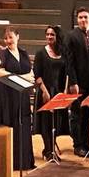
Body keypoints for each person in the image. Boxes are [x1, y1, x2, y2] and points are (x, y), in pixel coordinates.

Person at [63, 8, 89, 158]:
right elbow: (69, 62)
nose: (83, 20)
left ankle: (87, 146)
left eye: (85, 17)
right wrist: (73, 82)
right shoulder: (70, 36)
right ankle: (78, 146)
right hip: (77, 83)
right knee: (76, 114)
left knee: (88, 115)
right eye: (80, 17)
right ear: (77, 20)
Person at [0, 26, 35, 170]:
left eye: (11, 37)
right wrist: (23, 77)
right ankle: (8, 163)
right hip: (6, 96)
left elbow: (31, 73)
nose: (8, 40)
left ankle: (23, 162)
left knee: (22, 125)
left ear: (17, 37)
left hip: (21, 95)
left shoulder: (23, 53)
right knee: (9, 124)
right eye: (6, 38)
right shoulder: (2, 53)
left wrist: (27, 78)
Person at [33, 26, 68, 162]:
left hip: (58, 91)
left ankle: (50, 149)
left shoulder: (63, 52)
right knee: (46, 123)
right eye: (47, 34)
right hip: (45, 92)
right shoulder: (41, 53)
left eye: (52, 35)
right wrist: (45, 91)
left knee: (56, 123)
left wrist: (64, 91)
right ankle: (49, 151)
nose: (49, 37)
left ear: (57, 36)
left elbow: (66, 73)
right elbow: (37, 74)